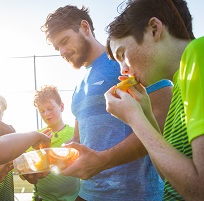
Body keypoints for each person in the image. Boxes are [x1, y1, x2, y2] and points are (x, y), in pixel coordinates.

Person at [41, 5, 170, 200]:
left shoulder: (124, 61)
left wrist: (104, 160)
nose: (62, 51)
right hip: (87, 194)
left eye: (65, 41)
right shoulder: (78, 86)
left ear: (85, 28)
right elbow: (78, 139)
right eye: (58, 47)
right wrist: (52, 158)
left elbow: (161, 118)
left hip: (134, 195)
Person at [104, 0, 203, 200]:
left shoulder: (198, 53)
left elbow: (199, 189)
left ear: (154, 29)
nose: (122, 70)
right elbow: (171, 180)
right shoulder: (179, 87)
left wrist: (134, 119)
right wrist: (145, 114)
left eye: (123, 54)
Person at [30, 85, 80, 201]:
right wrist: (37, 151)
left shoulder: (76, 133)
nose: (46, 114)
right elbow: (29, 172)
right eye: (42, 111)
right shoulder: (35, 137)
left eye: (50, 108)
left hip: (74, 198)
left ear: (61, 106)